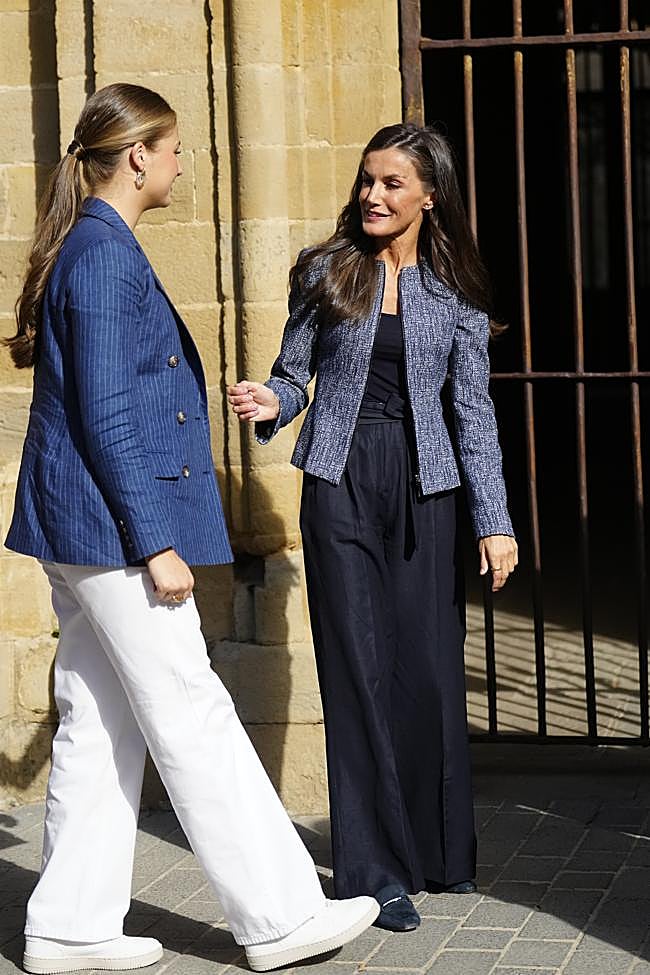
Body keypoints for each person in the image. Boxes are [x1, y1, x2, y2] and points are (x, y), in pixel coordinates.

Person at [4, 83, 379, 975]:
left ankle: (69, 927)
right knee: (191, 709)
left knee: (99, 720)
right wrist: (155, 541)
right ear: (138, 156)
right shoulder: (101, 254)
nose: (182, 163)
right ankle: (280, 915)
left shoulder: (95, 244)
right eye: (173, 149)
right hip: (111, 533)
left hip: (83, 528)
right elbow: (106, 416)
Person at [227, 122, 518, 932]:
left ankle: (438, 852)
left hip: (429, 488)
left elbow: (472, 412)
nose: (373, 195)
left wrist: (494, 520)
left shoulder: (456, 291)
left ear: (429, 195)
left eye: (392, 183)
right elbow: (294, 375)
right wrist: (273, 400)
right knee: (357, 668)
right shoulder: (325, 270)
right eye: (367, 180)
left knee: (428, 669)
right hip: (341, 480)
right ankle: (372, 871)